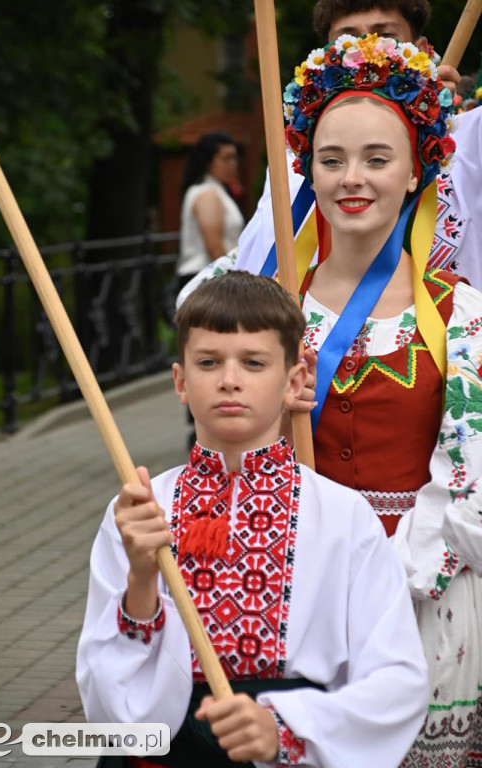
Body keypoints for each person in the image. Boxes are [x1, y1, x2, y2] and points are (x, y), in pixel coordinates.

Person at [77, 271, 430, 768]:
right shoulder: (142, 509)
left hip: (293, 745)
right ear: (180, 382)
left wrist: (285, 730)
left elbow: (397, 678)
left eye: (253, 362)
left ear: (294, 382)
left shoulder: (343, 516)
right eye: (208, 362)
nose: (229, 379)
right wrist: (140, 578)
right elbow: (105, 699)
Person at [279, 32, 482, 767]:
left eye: (376, 158)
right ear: (306, 167)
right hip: (305, 592)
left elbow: (472, 474)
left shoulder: (462, 316)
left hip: (429, 594)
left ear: (416, 172)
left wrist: (391, 571)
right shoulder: (272, 312)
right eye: (331, 160)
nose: (351, 179)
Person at [176, 0, 482, 306]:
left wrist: (433, 112)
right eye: (347, 40)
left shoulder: (467, 141)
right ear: (328, 57)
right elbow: (254, 266)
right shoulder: (292, 166)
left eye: (386, 36)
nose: (367, 52)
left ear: (421, 48)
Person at [176, 132, 244, 295]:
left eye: (235, 158)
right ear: (207, 161)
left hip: (214, 278)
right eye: (226, 158)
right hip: (206, 280)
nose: (233, 164)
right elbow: (214, 247)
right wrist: (236, 286)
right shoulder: (207, 193)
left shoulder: (216, 190)